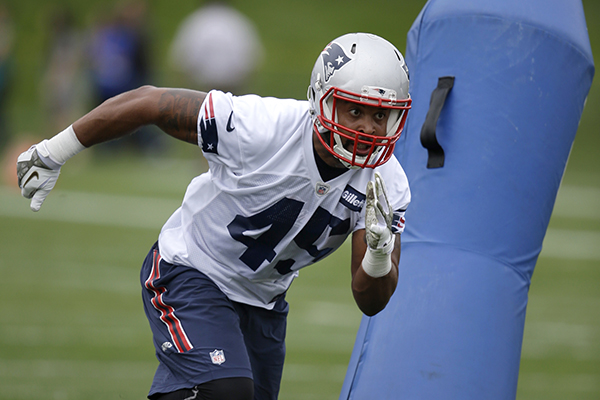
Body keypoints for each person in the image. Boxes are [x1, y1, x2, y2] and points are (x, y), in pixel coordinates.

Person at [16, 32, 412, 400]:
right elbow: (150, 101)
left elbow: (370, 301)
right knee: (227, 391)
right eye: (354, 109)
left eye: (380, 115)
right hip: (191, 270)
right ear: (321, 98)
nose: (367, 127)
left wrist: (378, 254)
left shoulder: (387, 182)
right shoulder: (260, 127)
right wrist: (55, 150)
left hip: (264, 303)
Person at [168, 0, 264, 93]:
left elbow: (182, 60)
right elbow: (252, 59)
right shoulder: (239, 22)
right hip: (233, 87)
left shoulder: (195, 22)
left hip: (203, 89)